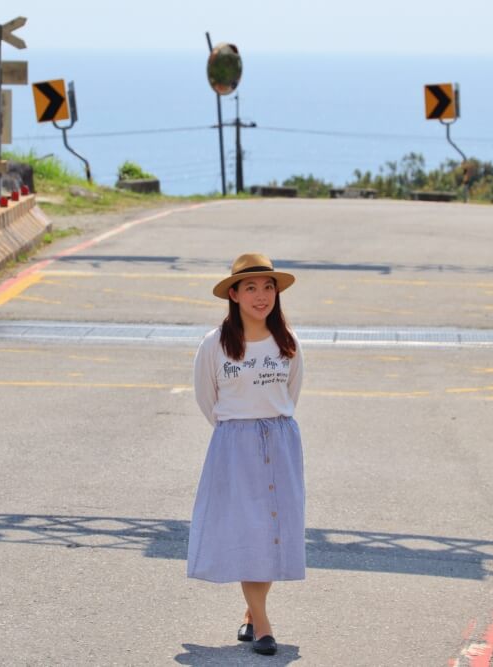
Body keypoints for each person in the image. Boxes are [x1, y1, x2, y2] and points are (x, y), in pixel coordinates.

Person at [187, 252, 306, 657]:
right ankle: (264, 625)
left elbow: (290, 394)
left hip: (280, 441)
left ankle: (252, 612)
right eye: (251, 288)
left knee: (271, 533)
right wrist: (237, 433)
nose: (261, 296)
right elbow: (208, 399)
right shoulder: (215, 345)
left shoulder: (286, 342)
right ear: (234, 294)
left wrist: (267, 428)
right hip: (234, 447)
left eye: (268, 287)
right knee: (248, 532)